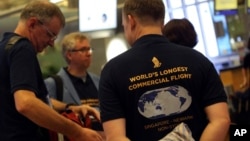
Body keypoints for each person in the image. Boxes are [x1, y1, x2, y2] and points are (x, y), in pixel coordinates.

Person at [98, 0, 231, 141]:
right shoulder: (198, 60)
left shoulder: (112, 71)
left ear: (131, 21)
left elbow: (115, 137)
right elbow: (221, 120)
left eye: (124, 25)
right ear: (162, 21)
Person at [0, 1, 103, 141]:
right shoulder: (23, 49)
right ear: (32, 24)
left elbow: (36, 100)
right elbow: (26, 103)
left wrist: (69, 108)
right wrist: (77, 132)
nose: (51, 43)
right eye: (50, 35)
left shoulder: (6, 46)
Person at [44, 32, 103, 132]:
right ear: (69, 55)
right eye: (83, 50)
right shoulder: (54, 83)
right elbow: (46, 110)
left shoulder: (98, 81)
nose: (88, 53)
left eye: (89, 49)